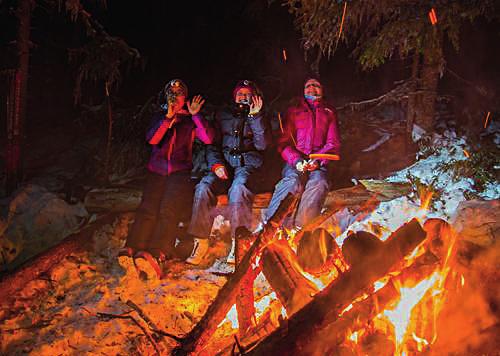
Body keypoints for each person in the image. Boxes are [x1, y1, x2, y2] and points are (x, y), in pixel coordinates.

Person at [119, 79, 214, 279]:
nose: (175, 97)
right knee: (147, 209)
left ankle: (158, 252)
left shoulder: (189, 119)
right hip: (156, 170)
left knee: (168, 211)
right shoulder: (160, 116)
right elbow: (153, 139)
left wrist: (196, 116)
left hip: (179, 173)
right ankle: (133, 247)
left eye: (179, 93)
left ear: (184, 97)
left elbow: (207, 139)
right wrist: (168, 118)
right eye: (171, 93)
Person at [186, 80, 268, 265]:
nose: (243, 97)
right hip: (223, 165)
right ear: (234, 96)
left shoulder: (259, 115)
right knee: (203, 187)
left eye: (247, 94)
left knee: (239, 188)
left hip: (247, 165)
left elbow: (262, 145)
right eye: (240, 93)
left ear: (254, 97)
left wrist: (255, 117)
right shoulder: (223, 114)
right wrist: (216, 165)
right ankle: (200, 241)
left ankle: (237, 242)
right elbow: (211, 143)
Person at [264, 77, 340, 228]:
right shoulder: (294, 111)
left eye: (316, 85)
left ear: (322, 90)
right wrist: (297, 161)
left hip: (318, 161)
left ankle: (301, 229)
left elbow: (333, 143)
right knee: (292, 181)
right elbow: (283, 142)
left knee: (319, 182)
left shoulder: (329, 112)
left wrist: (318, 161)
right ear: (303, 90)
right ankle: (275, 226)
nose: (312, 88)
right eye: (308, 86)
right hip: (295, 161)